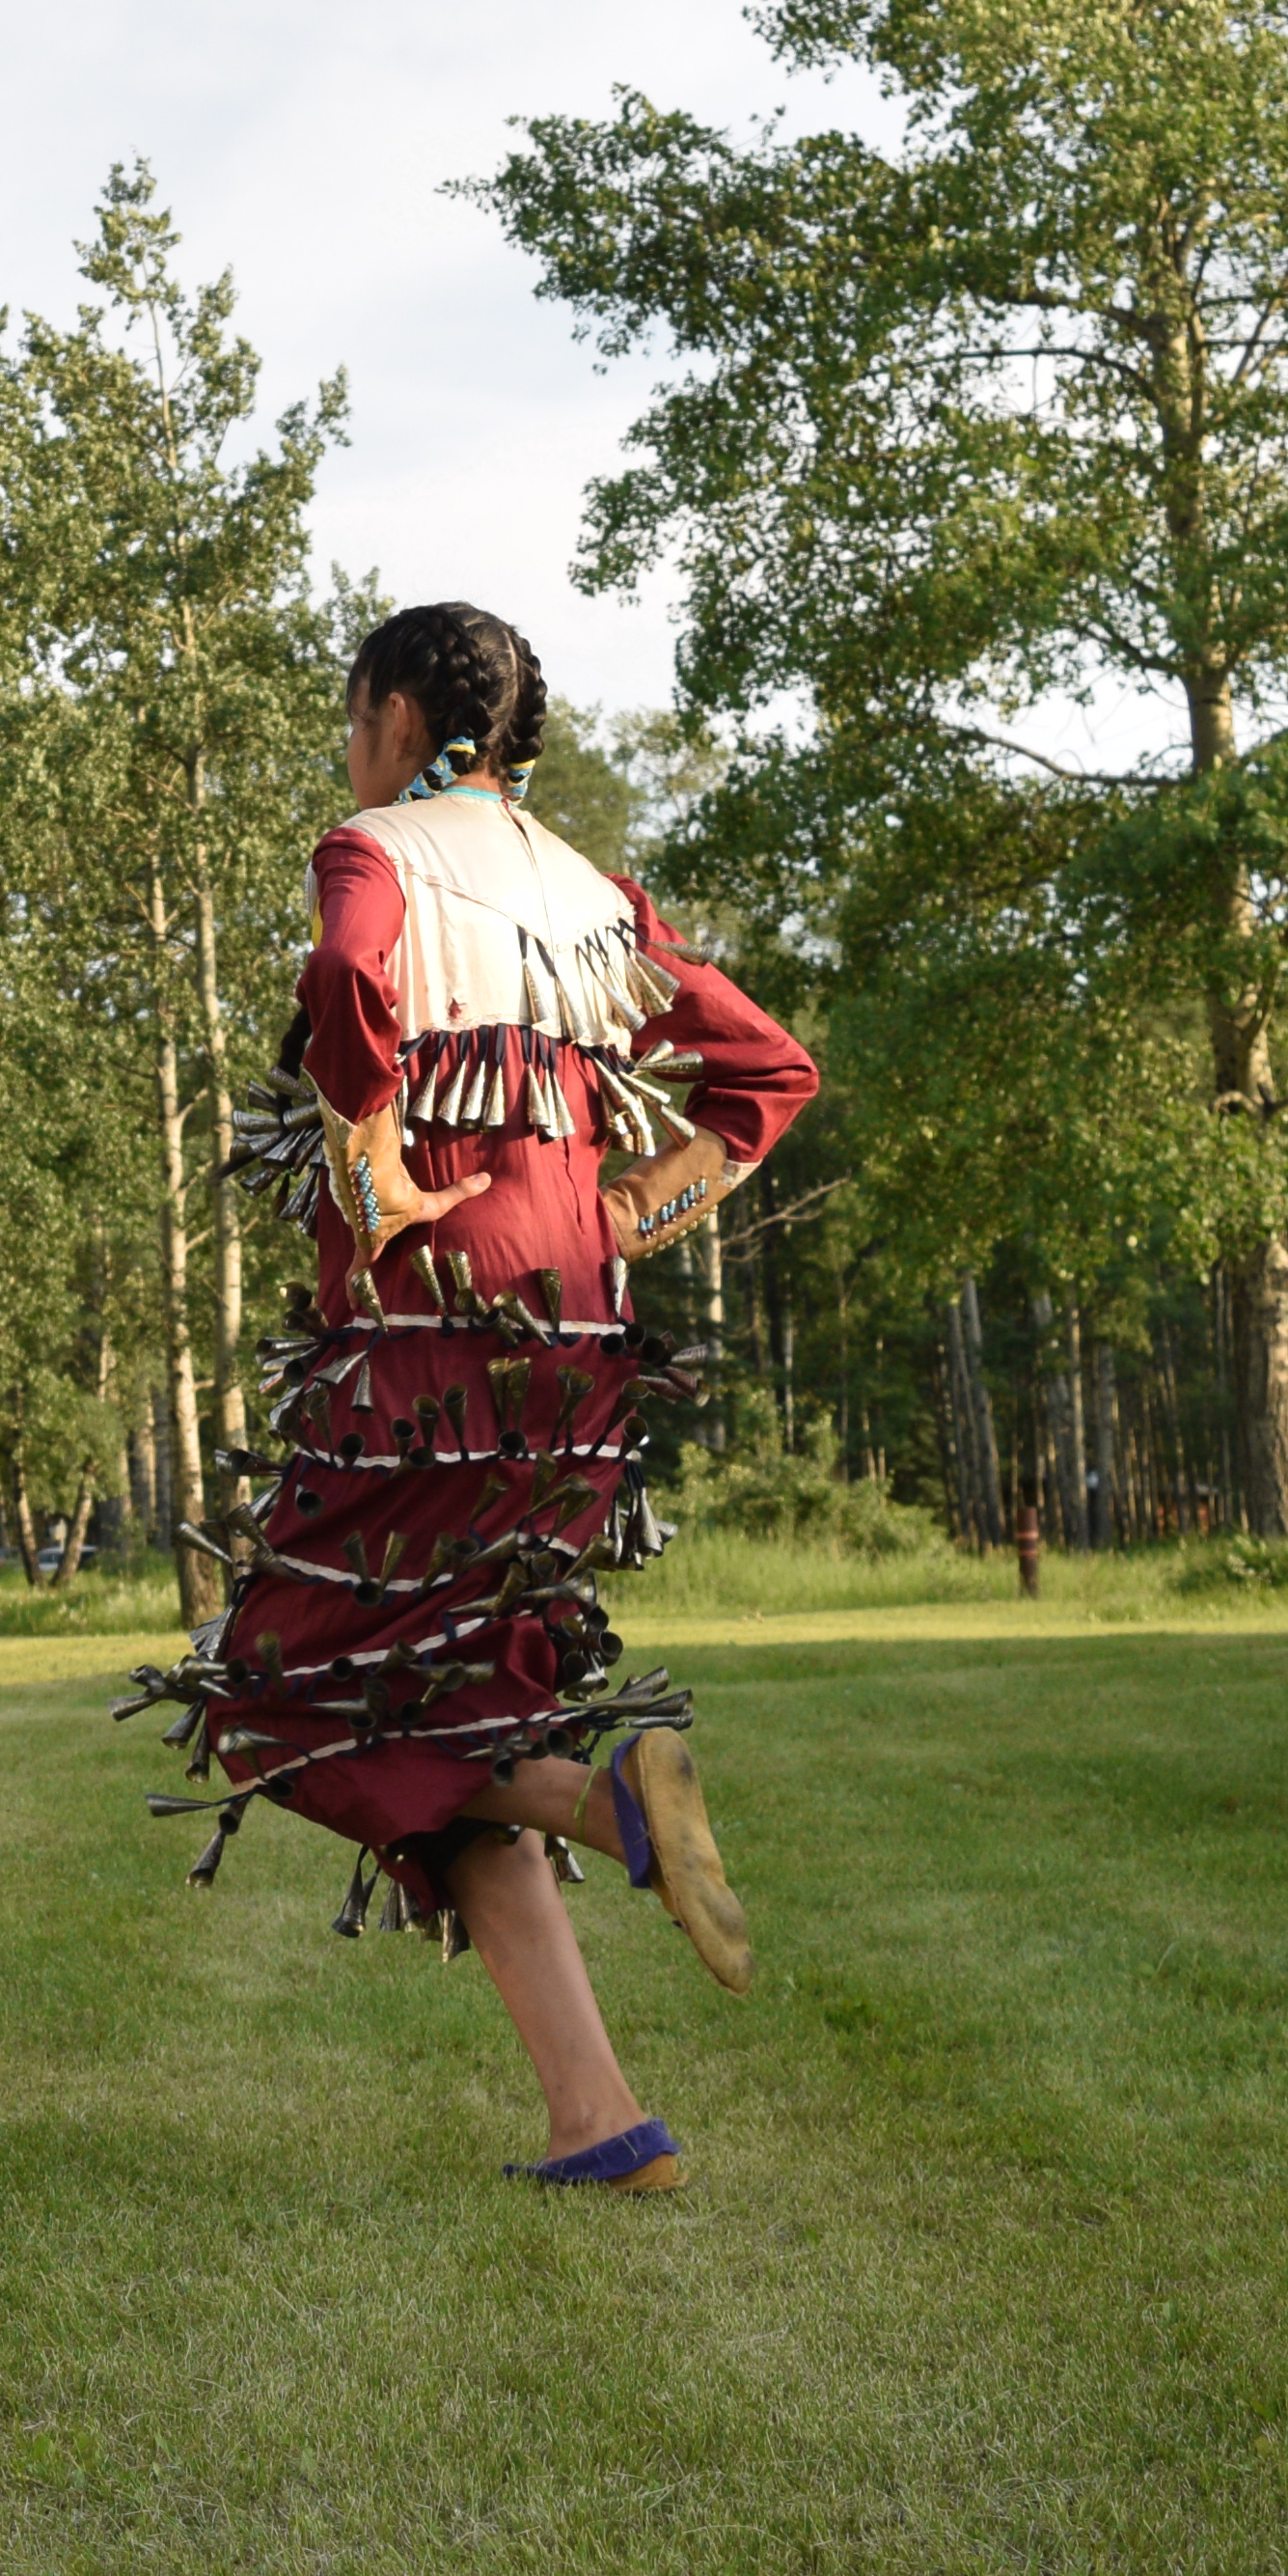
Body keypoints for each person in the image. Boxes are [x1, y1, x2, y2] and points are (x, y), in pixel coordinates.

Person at [126, 603, 821, 2200]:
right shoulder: (591, 897)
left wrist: (372, 1142)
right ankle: (599, 2120)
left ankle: (607, 1799)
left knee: (278, 1690)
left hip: (432, 1340)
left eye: (346, 709)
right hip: (577, 1345)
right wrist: (633, 1210)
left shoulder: (376, 847)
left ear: (387, 713)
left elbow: (349, 980)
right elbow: (764, 1075)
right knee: (438, 1703)